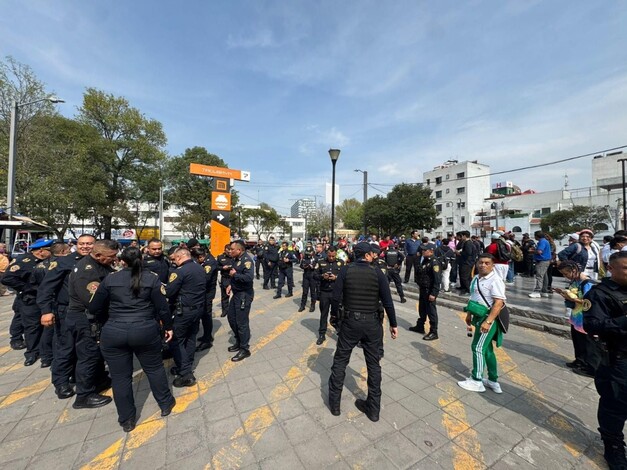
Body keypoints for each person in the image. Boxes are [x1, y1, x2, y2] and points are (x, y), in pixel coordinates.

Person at [88, 247, 176, 432]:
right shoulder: (151, 278)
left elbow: (94, 307)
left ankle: (127, 419)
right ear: (142, 260)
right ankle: (165, 404)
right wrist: (168, 327)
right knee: (154, 369)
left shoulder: (110, 279)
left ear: (121, 261)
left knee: (120, 378)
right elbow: (163, 308)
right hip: (145, 330)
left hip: (114, 331)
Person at [327, 242, 398, 421]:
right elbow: (387, 301)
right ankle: (373, 410)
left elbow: (335, 297)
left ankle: (334, 404)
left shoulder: (345, 270)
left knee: (341, 361)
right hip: (372, 324)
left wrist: (334, 317)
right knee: (373, 365)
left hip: (350, 322)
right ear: (367, 256)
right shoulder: (377, 273)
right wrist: (393, 324)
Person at [583, 252, 627, 469]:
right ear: (611, 268)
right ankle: (613, 445)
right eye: (626, 268)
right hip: (618, 359)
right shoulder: (599, 294)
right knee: (615, 405)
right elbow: (592, 326)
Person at [38, 234, 96, 399]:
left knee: (87, 349)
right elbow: (46, 288)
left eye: (89, 244)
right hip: (67, 311)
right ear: (76, 245)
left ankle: (87, 379)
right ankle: (61, 383)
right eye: (82, 244)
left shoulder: (97, 262)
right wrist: (46, 311)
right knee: (65, 348)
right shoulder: (64, 262)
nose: (85, 247)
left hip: (90, 313)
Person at [66, 239, 120, 409]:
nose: (114, 259)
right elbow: (94, 301)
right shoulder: (87, 271)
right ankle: (84, 395)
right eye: (110, 256)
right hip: (85, 318)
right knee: (88, 356)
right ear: (97, 254)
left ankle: (99, 381)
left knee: (96, 353)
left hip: (93, 318)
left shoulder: (99, 264)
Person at [458, 253, 507, 393]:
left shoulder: (495, 280)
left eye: (487, 263)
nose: (483, 265)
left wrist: (488, 322)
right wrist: (468, 314)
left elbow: (498, 303)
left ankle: (476, 380)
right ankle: (493, 380)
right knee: (487, 350)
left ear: (492, 265)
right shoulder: (476, 278)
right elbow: (473, 297)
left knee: (477, 348)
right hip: (478, 316)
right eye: (480, 262)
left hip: (488, 318)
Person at [2, 239, 53, 366]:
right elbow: (7, 278)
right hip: (30, 299)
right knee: (32, 327)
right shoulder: (24, 261)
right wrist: (27, 288)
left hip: (45, 299)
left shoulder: (47, 261)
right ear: (41, 251)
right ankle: (32, 353)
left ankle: (45, 352)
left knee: (46, 327)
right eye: (49, 250)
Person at [165, 247, 206, 387]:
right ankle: (186, 365)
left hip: (184, 312)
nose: (174, 261)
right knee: (190, 338)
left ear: (180, 257)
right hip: (198, 309)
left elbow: (169, 292)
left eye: (175, 258)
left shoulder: (179, 272)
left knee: (176, 340)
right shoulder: (199, 268)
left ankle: (186, 374)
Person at [554, 260, 597, 378]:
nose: (565, 276)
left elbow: (589, 303)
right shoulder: (575, 281)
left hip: (584, 318)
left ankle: (590, 368)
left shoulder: (587, 283)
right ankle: (579, 361)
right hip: (576, 317)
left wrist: (573, 299)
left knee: (587, 343)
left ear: (574, 270)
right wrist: (563, 293)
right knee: (577, 341)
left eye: (566, 273)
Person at [225, 240, 255, 362]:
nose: (230, 251)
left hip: (244, 295)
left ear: (239, 250)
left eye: (232, 249)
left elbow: (248, 277)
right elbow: (235, 274)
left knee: (241, 322)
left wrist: (234, 275)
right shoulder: (235, 259)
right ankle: (239, 341)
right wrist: (230, 285)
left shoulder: (247, 260)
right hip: (236, 293)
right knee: (231, 317)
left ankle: (244, 348)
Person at [409, 243, 442, 340]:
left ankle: (434, 332)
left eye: (425, 250)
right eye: (422, 250)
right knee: (422, 309)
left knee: (431, 312)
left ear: (431, 251)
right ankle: (420, 326)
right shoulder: (425, 260)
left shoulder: (434, 262)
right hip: (423, 289)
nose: (422, 251)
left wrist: (434, 293)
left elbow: (437, 280)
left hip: (429, 291)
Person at [313, 246, 344, 345]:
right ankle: (322, 334)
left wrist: (336, 277)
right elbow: (314, 275)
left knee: (338, 314)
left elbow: (345, 277)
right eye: (329, 256)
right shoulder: (321, 262)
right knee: (324, 314)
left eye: (333, 256)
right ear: (327, 254)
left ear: (336, 254)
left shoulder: (341, 263)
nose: (331, 258)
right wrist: (322, 276)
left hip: (336, 293)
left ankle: (340, 333)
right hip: (324, 292)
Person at [191, 246, 218, 351]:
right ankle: (206, 335)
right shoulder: (205, 261)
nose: (196, 261)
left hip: (207, 294)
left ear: (201, 257)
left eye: (197, 259)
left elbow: (205, 279)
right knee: (203, 315)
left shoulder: (209, 262)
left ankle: (207, 340)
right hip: (203, 293)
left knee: (206, 316)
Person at [528, 231, 552, 298]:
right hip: (546, 260)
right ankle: (544, 291)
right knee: (544, 276)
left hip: (542, 261)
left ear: (537, 236)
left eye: (535, 235)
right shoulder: (545, 241)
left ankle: (537, 291)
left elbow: (539, 251)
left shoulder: (542, 242)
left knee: (539, 276)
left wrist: (532, 251)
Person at [455, 231, 476, 295]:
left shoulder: (468, 243)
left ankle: (468, 290)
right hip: (464, 262)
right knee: (462, 275)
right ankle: (463, 287)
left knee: (465, 277)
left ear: (464, 236)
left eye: (462, 236)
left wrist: (459, 253)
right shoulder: (466, 242)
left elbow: (468, 253)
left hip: (467, 262)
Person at [299, 244, 317, 312]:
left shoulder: (315, 258)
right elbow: (301, 265)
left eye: (310, 252)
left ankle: (312, 305)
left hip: (313, 276)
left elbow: (318, 266)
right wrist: (304, 266)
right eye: (307, 252)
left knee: (313, 292)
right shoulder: (304, 258)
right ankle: (302, 305)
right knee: (305, 292)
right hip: (306, 275)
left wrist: (314, 267)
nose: (309, 254)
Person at [217, 244, 233, 317]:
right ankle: (225, 310)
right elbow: (216, 266)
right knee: (225, 295)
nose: (229, 252)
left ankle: (234, 309)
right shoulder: (220, 257)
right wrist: (222, 268)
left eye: (230, 250)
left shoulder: (234, 256)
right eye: (228, 250)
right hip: (225, 278)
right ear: (225, 250)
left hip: (234, 277)